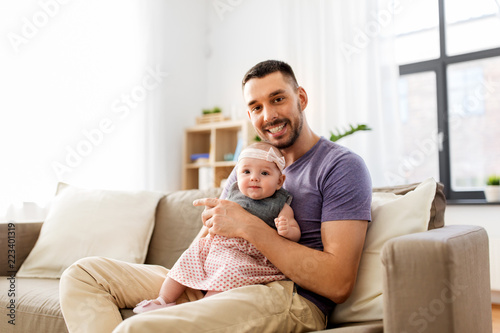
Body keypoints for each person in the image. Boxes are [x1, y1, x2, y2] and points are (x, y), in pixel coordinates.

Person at [59, 60, 372, 333]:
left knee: (140, 328)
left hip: (282, 292)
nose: (269, 115)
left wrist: (249, 226)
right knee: (83, 275)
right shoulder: (248, 167)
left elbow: (338, 283)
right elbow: (212, 234)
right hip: (215, 273)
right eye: (256, 107)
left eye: (278, 99)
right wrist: (185, 274)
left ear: (300, 97)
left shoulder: (340, 166)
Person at [133, 142, 300, 314]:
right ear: (237, 175)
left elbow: (295, 233)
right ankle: (163, 300)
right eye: (246, 172)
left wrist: (287, 229)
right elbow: (214, 219)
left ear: (279, 181)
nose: (254, 178)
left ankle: (205, 306)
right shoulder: (233, 195)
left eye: (264, 173)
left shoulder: (280, 204)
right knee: (188, 256)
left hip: (248, 255)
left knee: (230, 269)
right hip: (218, 246)